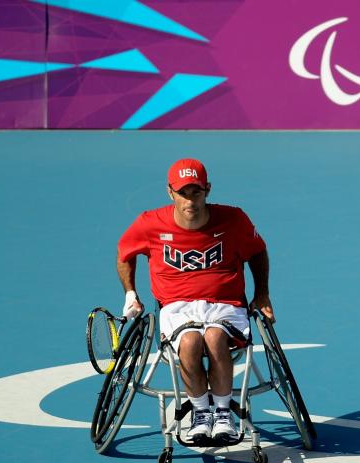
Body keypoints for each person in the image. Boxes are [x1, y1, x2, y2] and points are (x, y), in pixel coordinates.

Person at [116, 158, 273, 442]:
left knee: (214, 338)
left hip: (226, 304)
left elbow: (257, 252)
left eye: (196, 192)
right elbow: (125, 253)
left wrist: (262, 294)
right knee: (189, 342)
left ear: (207, 190)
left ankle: (223, 414)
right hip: (177, 307)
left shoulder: (234, 219)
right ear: (170, 192)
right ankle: (201, 413)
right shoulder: (149, 224)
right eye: (183, 193)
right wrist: (131, 294)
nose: (190, 200)